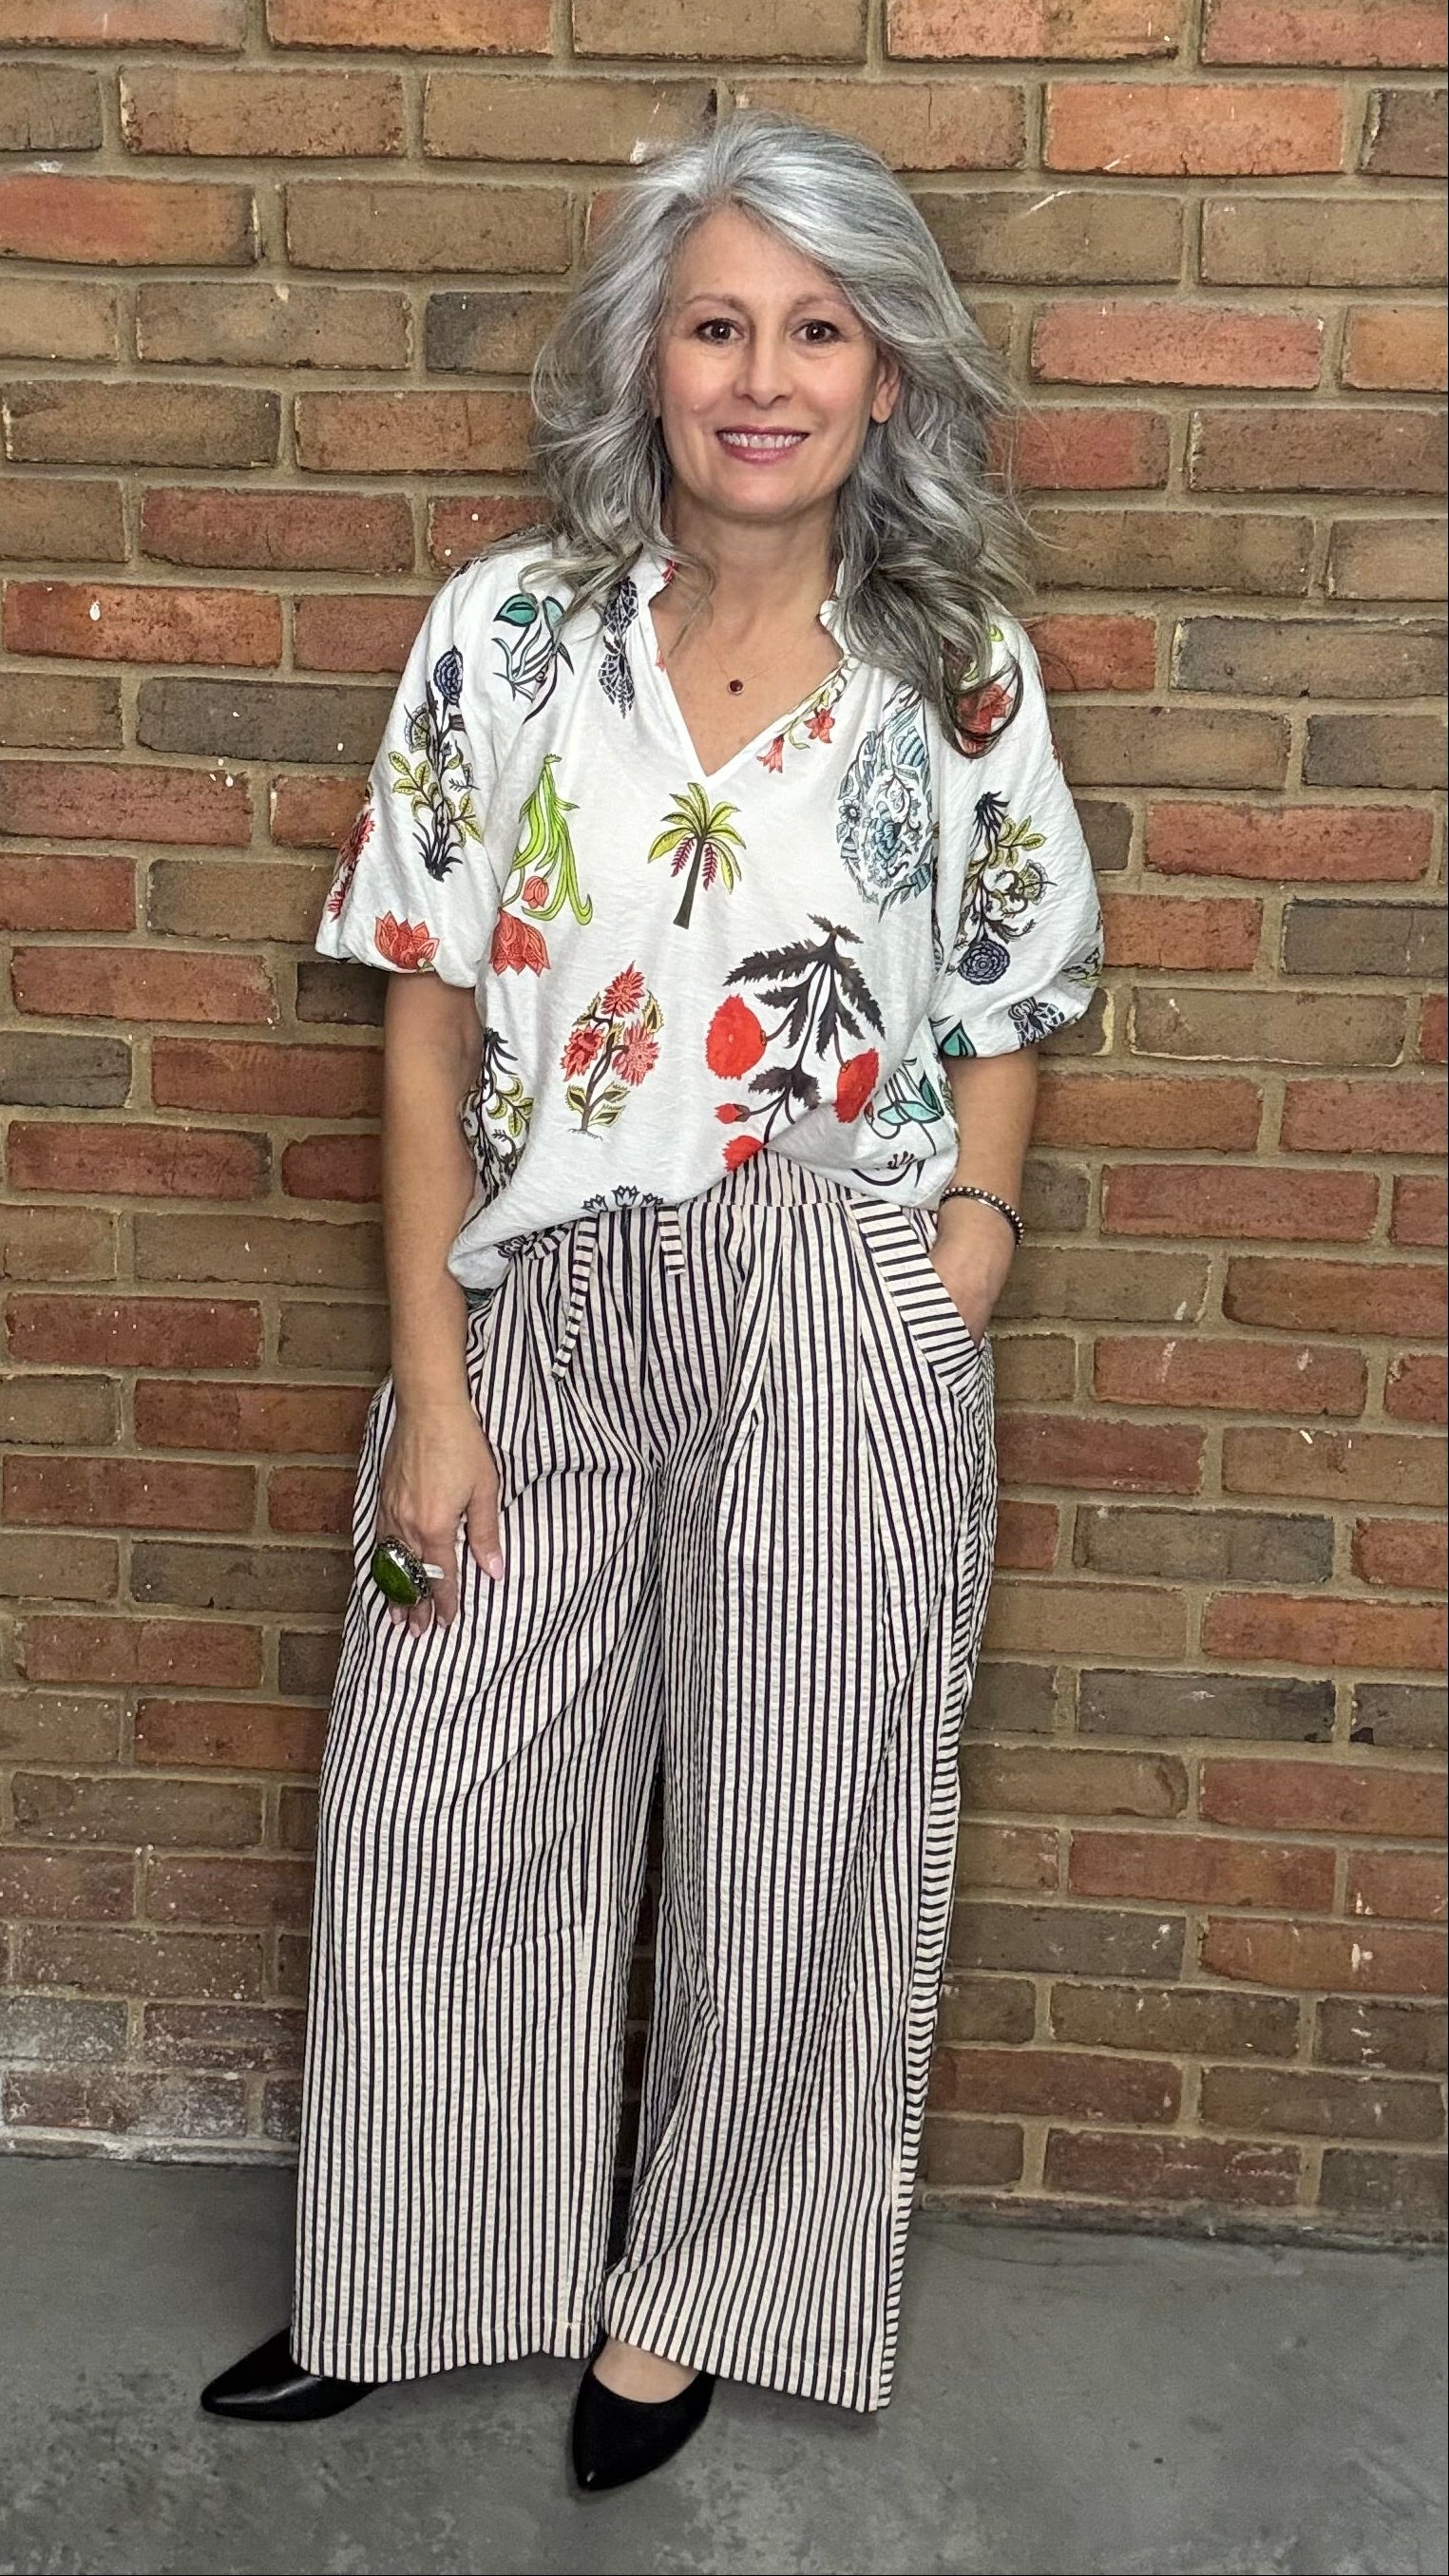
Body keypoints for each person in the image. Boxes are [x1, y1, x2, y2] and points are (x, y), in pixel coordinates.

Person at [200, 109, 1103, 2489]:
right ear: (650, 360)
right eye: (719, 324)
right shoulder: (505, 634)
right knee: (438, 1781)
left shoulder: (957, 669)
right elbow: (419, 999)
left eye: (818, 330)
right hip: (538, 1285)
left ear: (887, 377)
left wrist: (964, 1260)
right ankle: (412, 2263)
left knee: (799, 1825)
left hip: (833, 1280)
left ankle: (682, 2300)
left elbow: (1009, 999)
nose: (765, 375)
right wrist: (428, 1382)